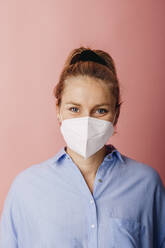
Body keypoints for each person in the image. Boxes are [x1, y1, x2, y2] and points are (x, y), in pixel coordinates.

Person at [0, 46, 165, 248]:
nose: (86, 121)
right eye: (74, 109)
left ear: (116, 114)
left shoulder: (146, 185)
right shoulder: (26, 189)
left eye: (100, 110)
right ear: (58, 110)